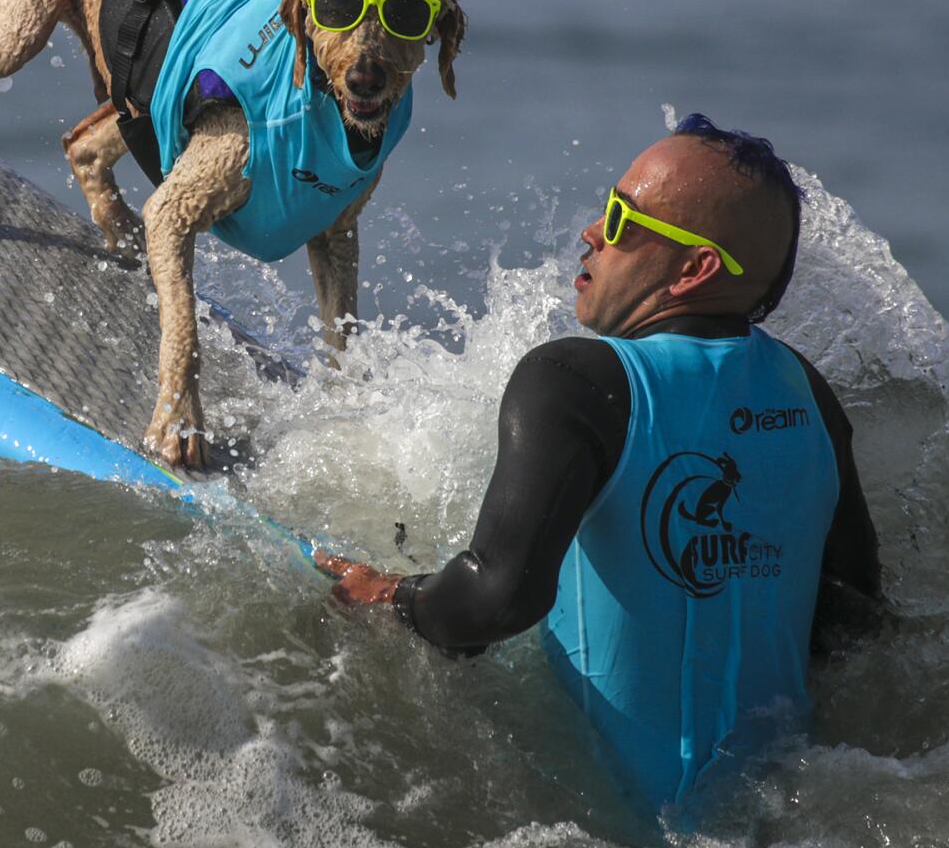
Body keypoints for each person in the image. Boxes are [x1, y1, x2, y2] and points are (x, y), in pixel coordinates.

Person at [314, 114, 884, 809]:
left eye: (620, 218)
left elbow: (498, 599)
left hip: (611, 841)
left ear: (694, 267)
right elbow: (853, 615)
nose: (592, 232)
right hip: (783, 826)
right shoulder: (812, 397)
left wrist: (393, 595)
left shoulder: (577, 380)